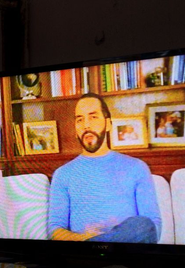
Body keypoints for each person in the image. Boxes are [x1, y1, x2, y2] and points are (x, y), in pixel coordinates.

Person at [47, 93, 162, 244]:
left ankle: (102, 242)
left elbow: (153, 227)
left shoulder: (137, 167)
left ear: (108, 124)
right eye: (80, 119)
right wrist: (84, 239)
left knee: (144, 225)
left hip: (129, 253)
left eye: (93, 117)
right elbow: (54, 230)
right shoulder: (63, 174)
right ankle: (98, 243)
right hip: (84, 255)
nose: (86, 125)